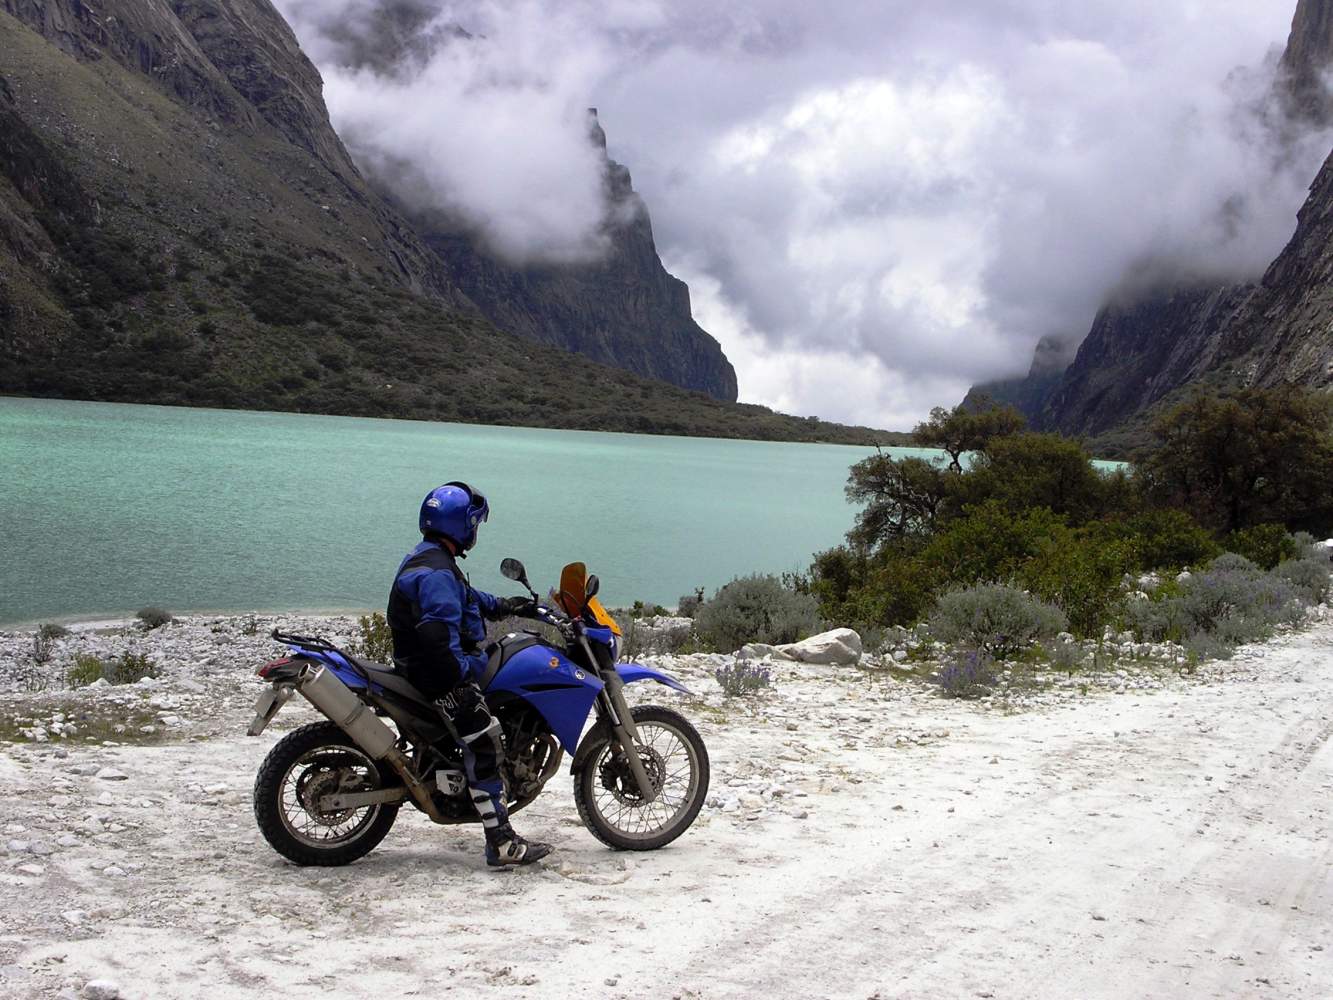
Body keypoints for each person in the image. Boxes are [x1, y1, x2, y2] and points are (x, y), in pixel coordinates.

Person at [387, 481, 553, 867]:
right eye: (474, 523)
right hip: (434, 674)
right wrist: (462, 679)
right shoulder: (437, 575)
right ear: (461, 524)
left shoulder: (430, 558)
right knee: (484, 742)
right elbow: (438, 637)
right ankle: (501, 842)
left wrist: (510, 606)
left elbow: (469, 599)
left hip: (420, 665)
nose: (476, 531)